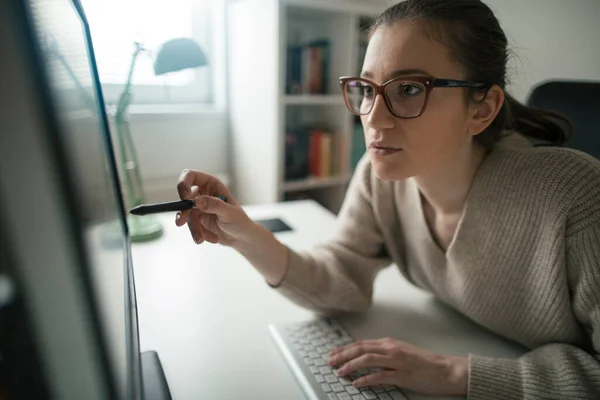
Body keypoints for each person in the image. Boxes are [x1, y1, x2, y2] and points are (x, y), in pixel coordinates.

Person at [175, 0, 600, 398]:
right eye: (366, 89)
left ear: (482, 108)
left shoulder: (574, 194)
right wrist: (245, 234)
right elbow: (342, 276)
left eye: (409, 90)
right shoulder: (382, 176)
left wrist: (455, 374)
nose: (373, 118)